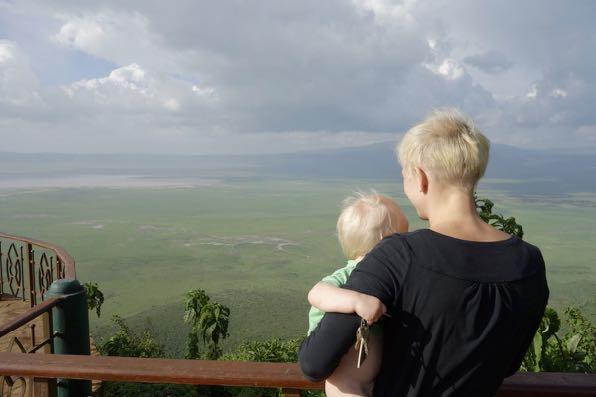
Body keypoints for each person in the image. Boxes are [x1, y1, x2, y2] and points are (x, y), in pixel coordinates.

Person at [299, 109, 549, 396]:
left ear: (420, 178)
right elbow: (508, 364)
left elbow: (314, 363)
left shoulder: (398, 255)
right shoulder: (529, 262)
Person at [307, 192, 409, 397]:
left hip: (371, 378)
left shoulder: (389, 277)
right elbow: (316, 292)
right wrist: (356, 301)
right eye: (403, 238)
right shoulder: (347, 275)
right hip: (344, 382)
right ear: (386, 244)